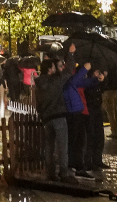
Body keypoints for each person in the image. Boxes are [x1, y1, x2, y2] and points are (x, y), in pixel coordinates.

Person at [33, 45, 78, 182]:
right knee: (62, 145)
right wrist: (71, 54)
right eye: (53, 67)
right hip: (58, 116)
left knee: (49, 146)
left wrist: (42, 115)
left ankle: (50, 172)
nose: (55, 69)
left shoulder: (39, 84)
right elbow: (69, 71)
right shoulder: (55, 81)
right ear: (50, 69)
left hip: (47, 118)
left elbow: (38, 104)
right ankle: (64, 173)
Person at [61, 58, 92, 177]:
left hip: (77, 110)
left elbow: (82, 83)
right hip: (72, 112)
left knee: (80, 140)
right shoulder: (65, 76)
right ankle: (72, 166)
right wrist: (85, 69)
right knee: (74, 140)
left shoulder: (71, 74)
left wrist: (94, 78)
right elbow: (74, 81)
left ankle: (78, 166)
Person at [83, 68, 108, 172]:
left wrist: (102, 81)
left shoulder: (97, 83)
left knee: (99, 135)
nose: (98, 74)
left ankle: (98, 160)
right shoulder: (88, 82)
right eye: (97, 72)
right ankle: (89, 162)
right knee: (91, 136)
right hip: (90, 110)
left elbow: (104, 89)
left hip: (97, 110)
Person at [100, 67, 117, 138]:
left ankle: (114, 131)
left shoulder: (105, 65)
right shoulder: (115, 66)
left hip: (109, 90)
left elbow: (105, 79)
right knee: (115, 109)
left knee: (110, 111)